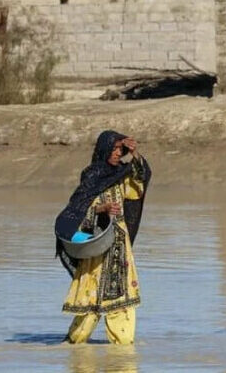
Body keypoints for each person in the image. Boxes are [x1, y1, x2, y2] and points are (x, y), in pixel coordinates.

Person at [54, 130, 151, 345]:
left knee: (121, 303)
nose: (118, 153)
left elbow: (138, 188)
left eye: (121, 149)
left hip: (119, 247)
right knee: (90, 302)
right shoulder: (91, 175)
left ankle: (123, 352)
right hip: (97, 247)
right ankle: (75, 345)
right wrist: (100, 209)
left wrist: (135, 154)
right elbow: (77, 210)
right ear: (104, 149)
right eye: (114, 149)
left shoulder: (122, 174)